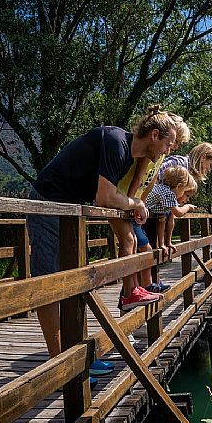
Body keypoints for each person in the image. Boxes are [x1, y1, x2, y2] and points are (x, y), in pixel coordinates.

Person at [27, 104, 185, 367]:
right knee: (49, 283)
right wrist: (135, 204)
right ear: (155, 136)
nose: (169, 151)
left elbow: (114, 196)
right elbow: (105, 197)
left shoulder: (128, 156)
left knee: (76, 282)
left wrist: (131, 202)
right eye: (169, 144)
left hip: (70, 211)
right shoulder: (116, 142)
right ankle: (59, 364)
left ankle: (78, 358)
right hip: (47, 203)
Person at [136, 166, 198, 293]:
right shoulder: (168, 193)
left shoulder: (164, 192)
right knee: (145, 251)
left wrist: (164, 244)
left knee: (146, 251)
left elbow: (161, 220)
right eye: (185, 192)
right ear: (179, 186)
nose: (185, 197)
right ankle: (146, 285)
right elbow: (178, 212)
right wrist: (188, 207)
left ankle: (146, 285)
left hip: (144, 220)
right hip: (136, 220)